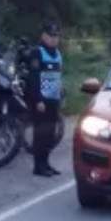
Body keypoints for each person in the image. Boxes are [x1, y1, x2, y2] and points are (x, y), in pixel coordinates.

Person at [20, 22, 64, 177]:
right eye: (51, 36)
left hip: (54, 100)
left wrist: (61, 95)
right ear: (44, 36)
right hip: (41, 101)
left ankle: (46, 163)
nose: (54, 39)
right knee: (40, 135)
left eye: (56, 36)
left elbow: (58, 77)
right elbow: (33, 78)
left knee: (50, 135)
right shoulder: (37, 53)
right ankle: (38, 167)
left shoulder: (58, 54)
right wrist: (38, 100)